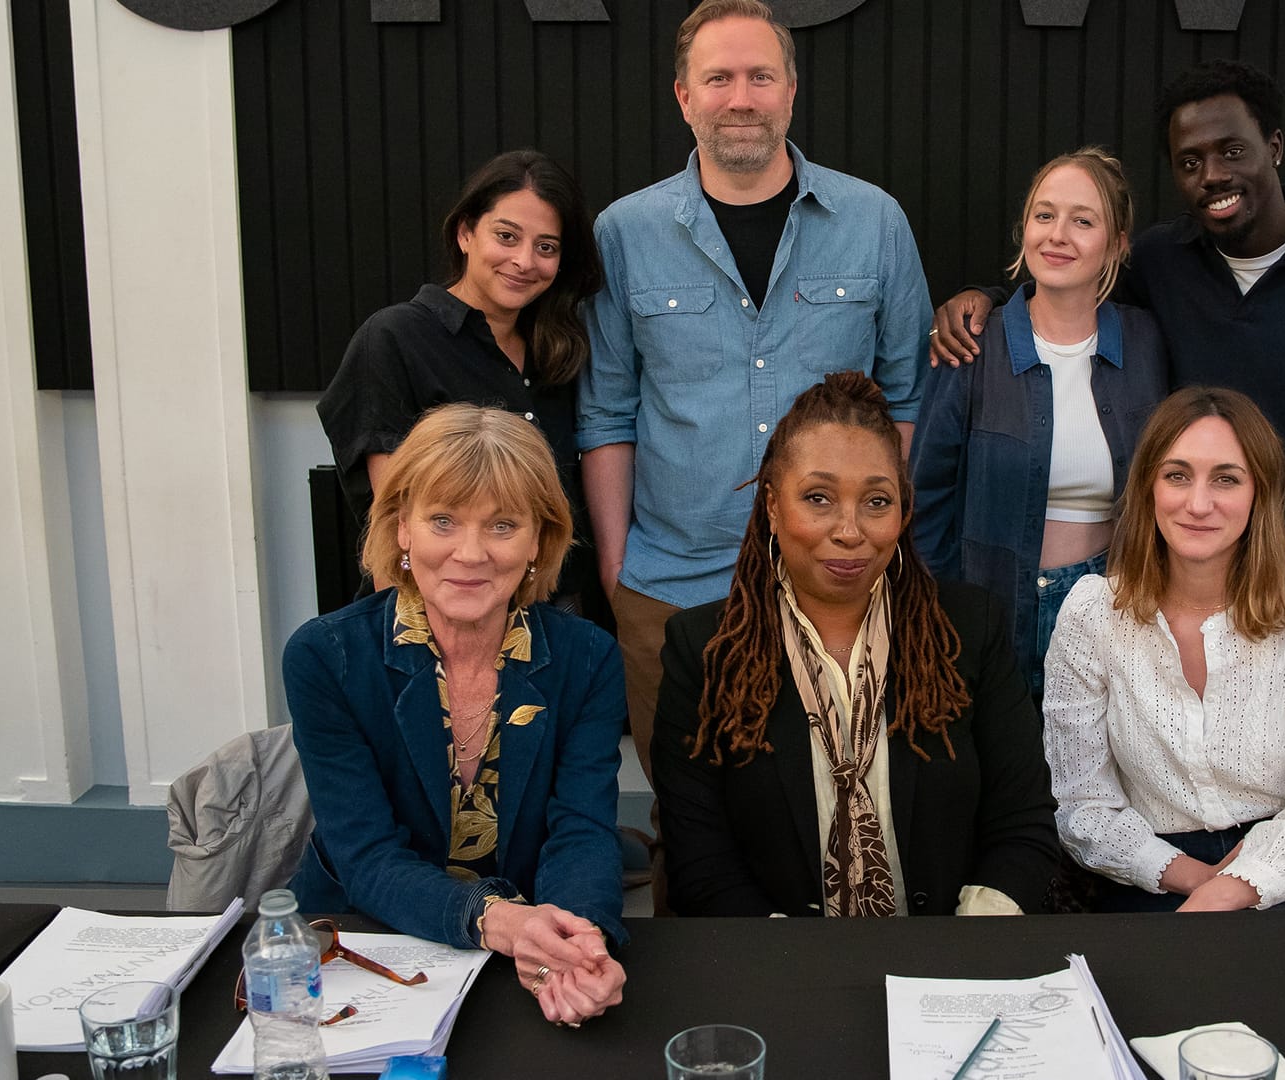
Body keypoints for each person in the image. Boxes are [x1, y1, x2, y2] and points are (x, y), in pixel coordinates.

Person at [933, 60, 1285, 834]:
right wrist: (985, 297)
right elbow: (1067, 280)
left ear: (1274, 146)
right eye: (1189, 163)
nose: (1213, 175)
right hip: (1184, 614)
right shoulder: (1162, 265)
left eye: (1231, 151)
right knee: (1169, 838)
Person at [578, 0, 933, 799]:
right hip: (671, 583)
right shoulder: (624, 233)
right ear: (684, 97)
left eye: (760, 76)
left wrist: (878, 540)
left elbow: (908, 395)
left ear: (791, 92)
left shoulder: (873, 222)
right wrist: (614, 566)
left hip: (839, 580)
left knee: (843, 806)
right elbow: (606, 411)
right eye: (719, 78)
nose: (741, 97)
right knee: (690, 820)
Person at [653, 372, 1059, 918]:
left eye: (876, 501)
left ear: (904, 509)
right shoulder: (706, 649)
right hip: (785, 972)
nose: (850, 530)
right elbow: (700, 863)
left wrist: (967, 948)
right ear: (772, 507)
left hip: (951, 960)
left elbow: (1023, 824)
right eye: (817, 498)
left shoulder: (968, 629)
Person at [284, 405, 628, 1025]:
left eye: (502, 526)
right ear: (402, 530)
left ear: (538, 541)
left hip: (521, 956)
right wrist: (497, 920)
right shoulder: (325, 657)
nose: (470, 554)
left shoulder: (588, 658)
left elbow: (581, 830)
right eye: (443, 520)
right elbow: (364, 855)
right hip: (365, 943)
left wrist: (579, 942)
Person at [1043, 387, 1285, 911]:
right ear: (1148, 488)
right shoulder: (1092, 614)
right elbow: (1084, 807)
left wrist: (1232, 890)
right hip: (1152, 868)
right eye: (1177, 475)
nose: (1198, 503)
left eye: (1226, 478)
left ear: (1259, 493)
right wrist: (1192, 880)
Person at [910, 148, 1166, 698]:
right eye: (1044, 215)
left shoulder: (1148, 344)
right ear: (1023, 229)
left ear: (1117, 243)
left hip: (1117, 612)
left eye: (1083, 220)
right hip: (992, 610)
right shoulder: (972, 345)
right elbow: (926, 496)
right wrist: (941, 612)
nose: (1058, 235)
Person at [318, 149, 603, 609]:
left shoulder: (564, 347)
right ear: (465, 232)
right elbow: (394, 517)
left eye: (546, 247)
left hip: (561, 615)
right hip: (445, 614)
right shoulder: (395, 339)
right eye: (506, 236)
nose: (524, 260)